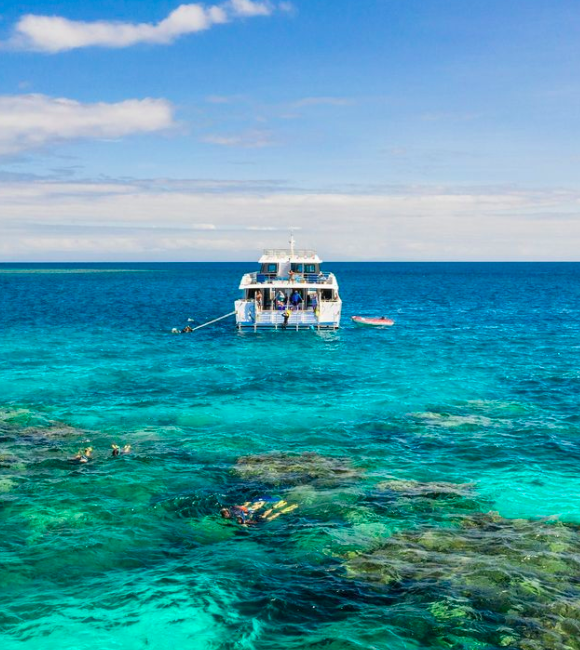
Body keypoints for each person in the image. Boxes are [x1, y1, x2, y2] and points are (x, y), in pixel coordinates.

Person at [220, 499, 298, 526]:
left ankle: (280, 511)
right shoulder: (232, 508)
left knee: (270, 517)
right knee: (264, 515)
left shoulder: (237, 517)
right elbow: (240, 507)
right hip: (253, 518)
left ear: (227, 514)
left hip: (256, 522)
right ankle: (274, 507)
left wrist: (243, 524)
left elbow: (242, 520)